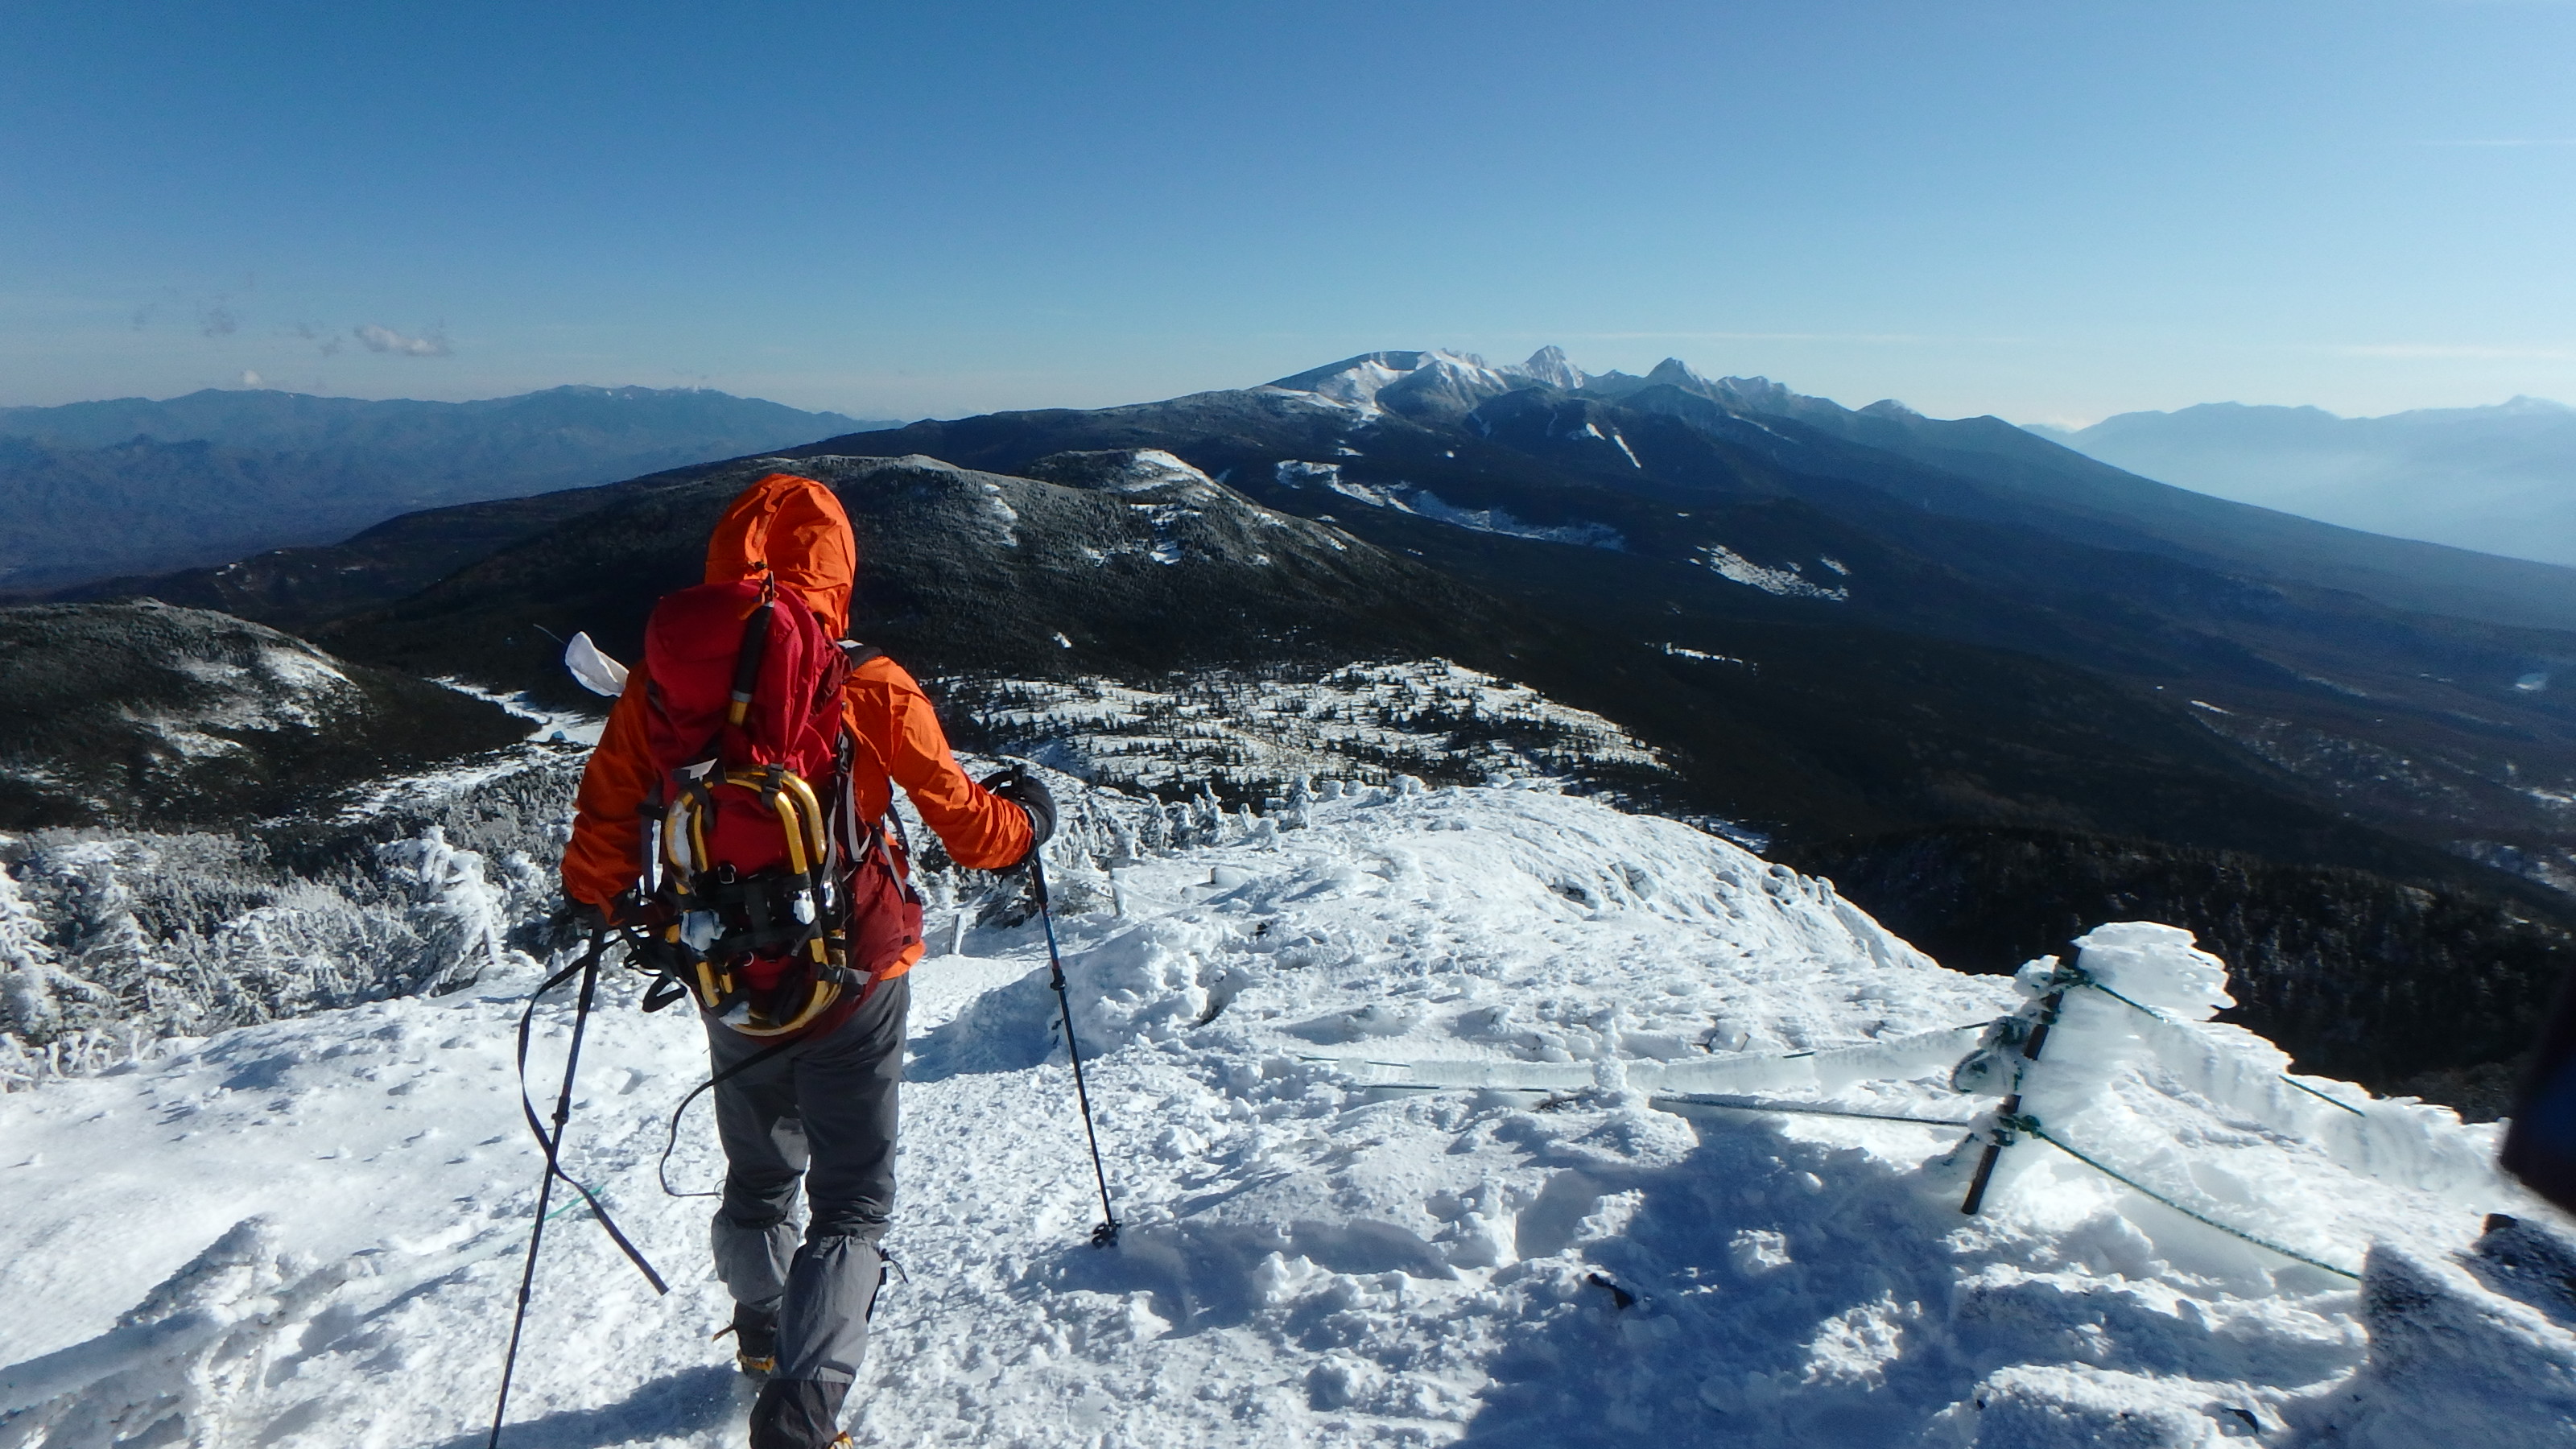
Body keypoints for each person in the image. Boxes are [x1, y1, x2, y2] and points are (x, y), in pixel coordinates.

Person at [560, 472, 1053, 1449]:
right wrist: (1033, 816)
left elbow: (603, 835)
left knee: (757, 1179)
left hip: (726, 975)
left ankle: (758, 1335)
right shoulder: (863, 681)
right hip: (852, 974)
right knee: (853, 1198)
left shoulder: (663, 685)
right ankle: (801, 1412)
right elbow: (971, 830)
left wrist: (616, 903)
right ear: (837, 570)